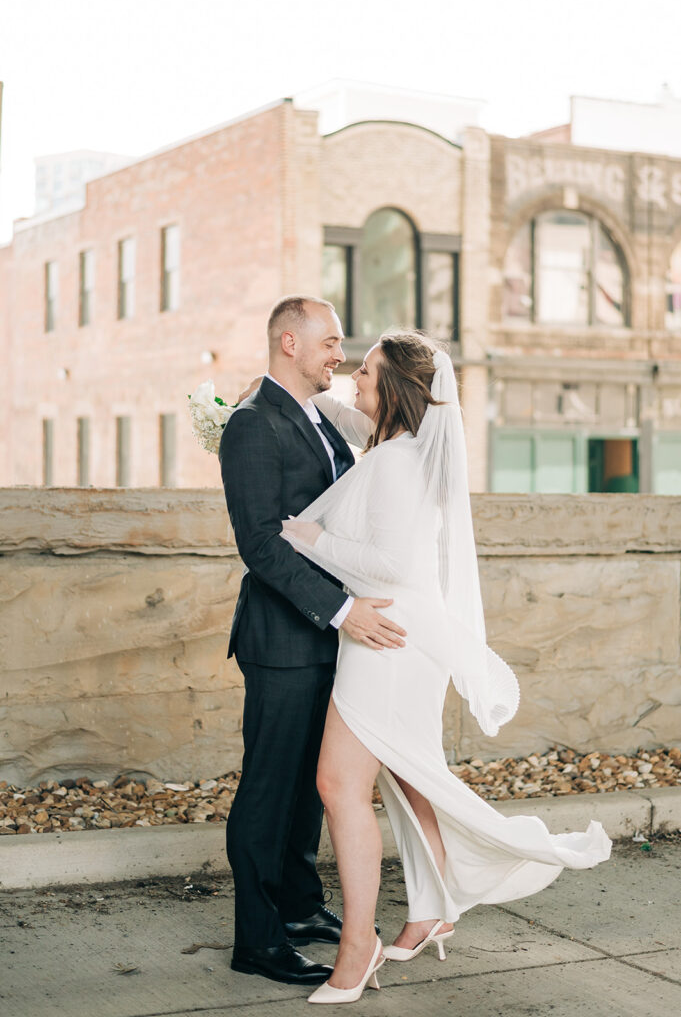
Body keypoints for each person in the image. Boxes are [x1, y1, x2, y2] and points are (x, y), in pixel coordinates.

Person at [281, 329, 612, 1005]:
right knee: (408, 778)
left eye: (367, 374)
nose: (354, 380)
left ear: (397, 390)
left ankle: (357, 945)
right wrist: (292, 395)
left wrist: (305, 535)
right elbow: (346, 415)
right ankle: (430, 912)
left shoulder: (397, 463)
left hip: (389, 642)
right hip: (402, 638)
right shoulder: (404, 449)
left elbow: (393, 566)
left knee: (339, 784)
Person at [218, 296, 406, 987]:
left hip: (326, 638)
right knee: (268, 792)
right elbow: (260, 545)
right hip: (284, 638)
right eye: (330, 342)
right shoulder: (250, 424)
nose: (340, 355)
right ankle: (259, 939)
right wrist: (342, 610)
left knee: (309, 787)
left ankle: (298, 905)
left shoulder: (315, 416)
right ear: (288, 342)